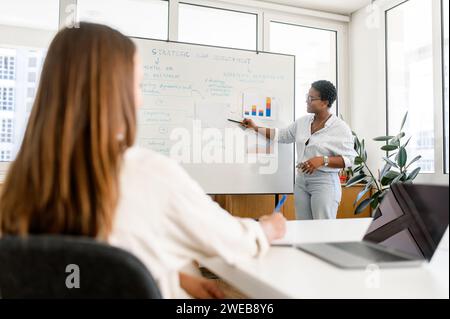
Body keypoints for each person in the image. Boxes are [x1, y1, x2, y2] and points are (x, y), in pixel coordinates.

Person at [0, 22, 286, 299]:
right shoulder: (149, 174)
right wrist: (266, 228)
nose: (141, 101)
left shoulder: (19, 187)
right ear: (113, 93)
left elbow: (76, 267)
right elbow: (234, 241)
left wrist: (170, 277)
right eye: (137, 85)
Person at [242, 80, 356, 220]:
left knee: (323, 230)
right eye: (307, 96)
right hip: (301, 181)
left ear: (325, 102)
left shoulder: (340, 128)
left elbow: (351, 159)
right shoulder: (303, 122)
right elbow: (281, 135)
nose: (307, 101)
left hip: (324, 182)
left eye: (311, 98)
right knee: (303, 227)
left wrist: (322, 160)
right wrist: (255, 127)